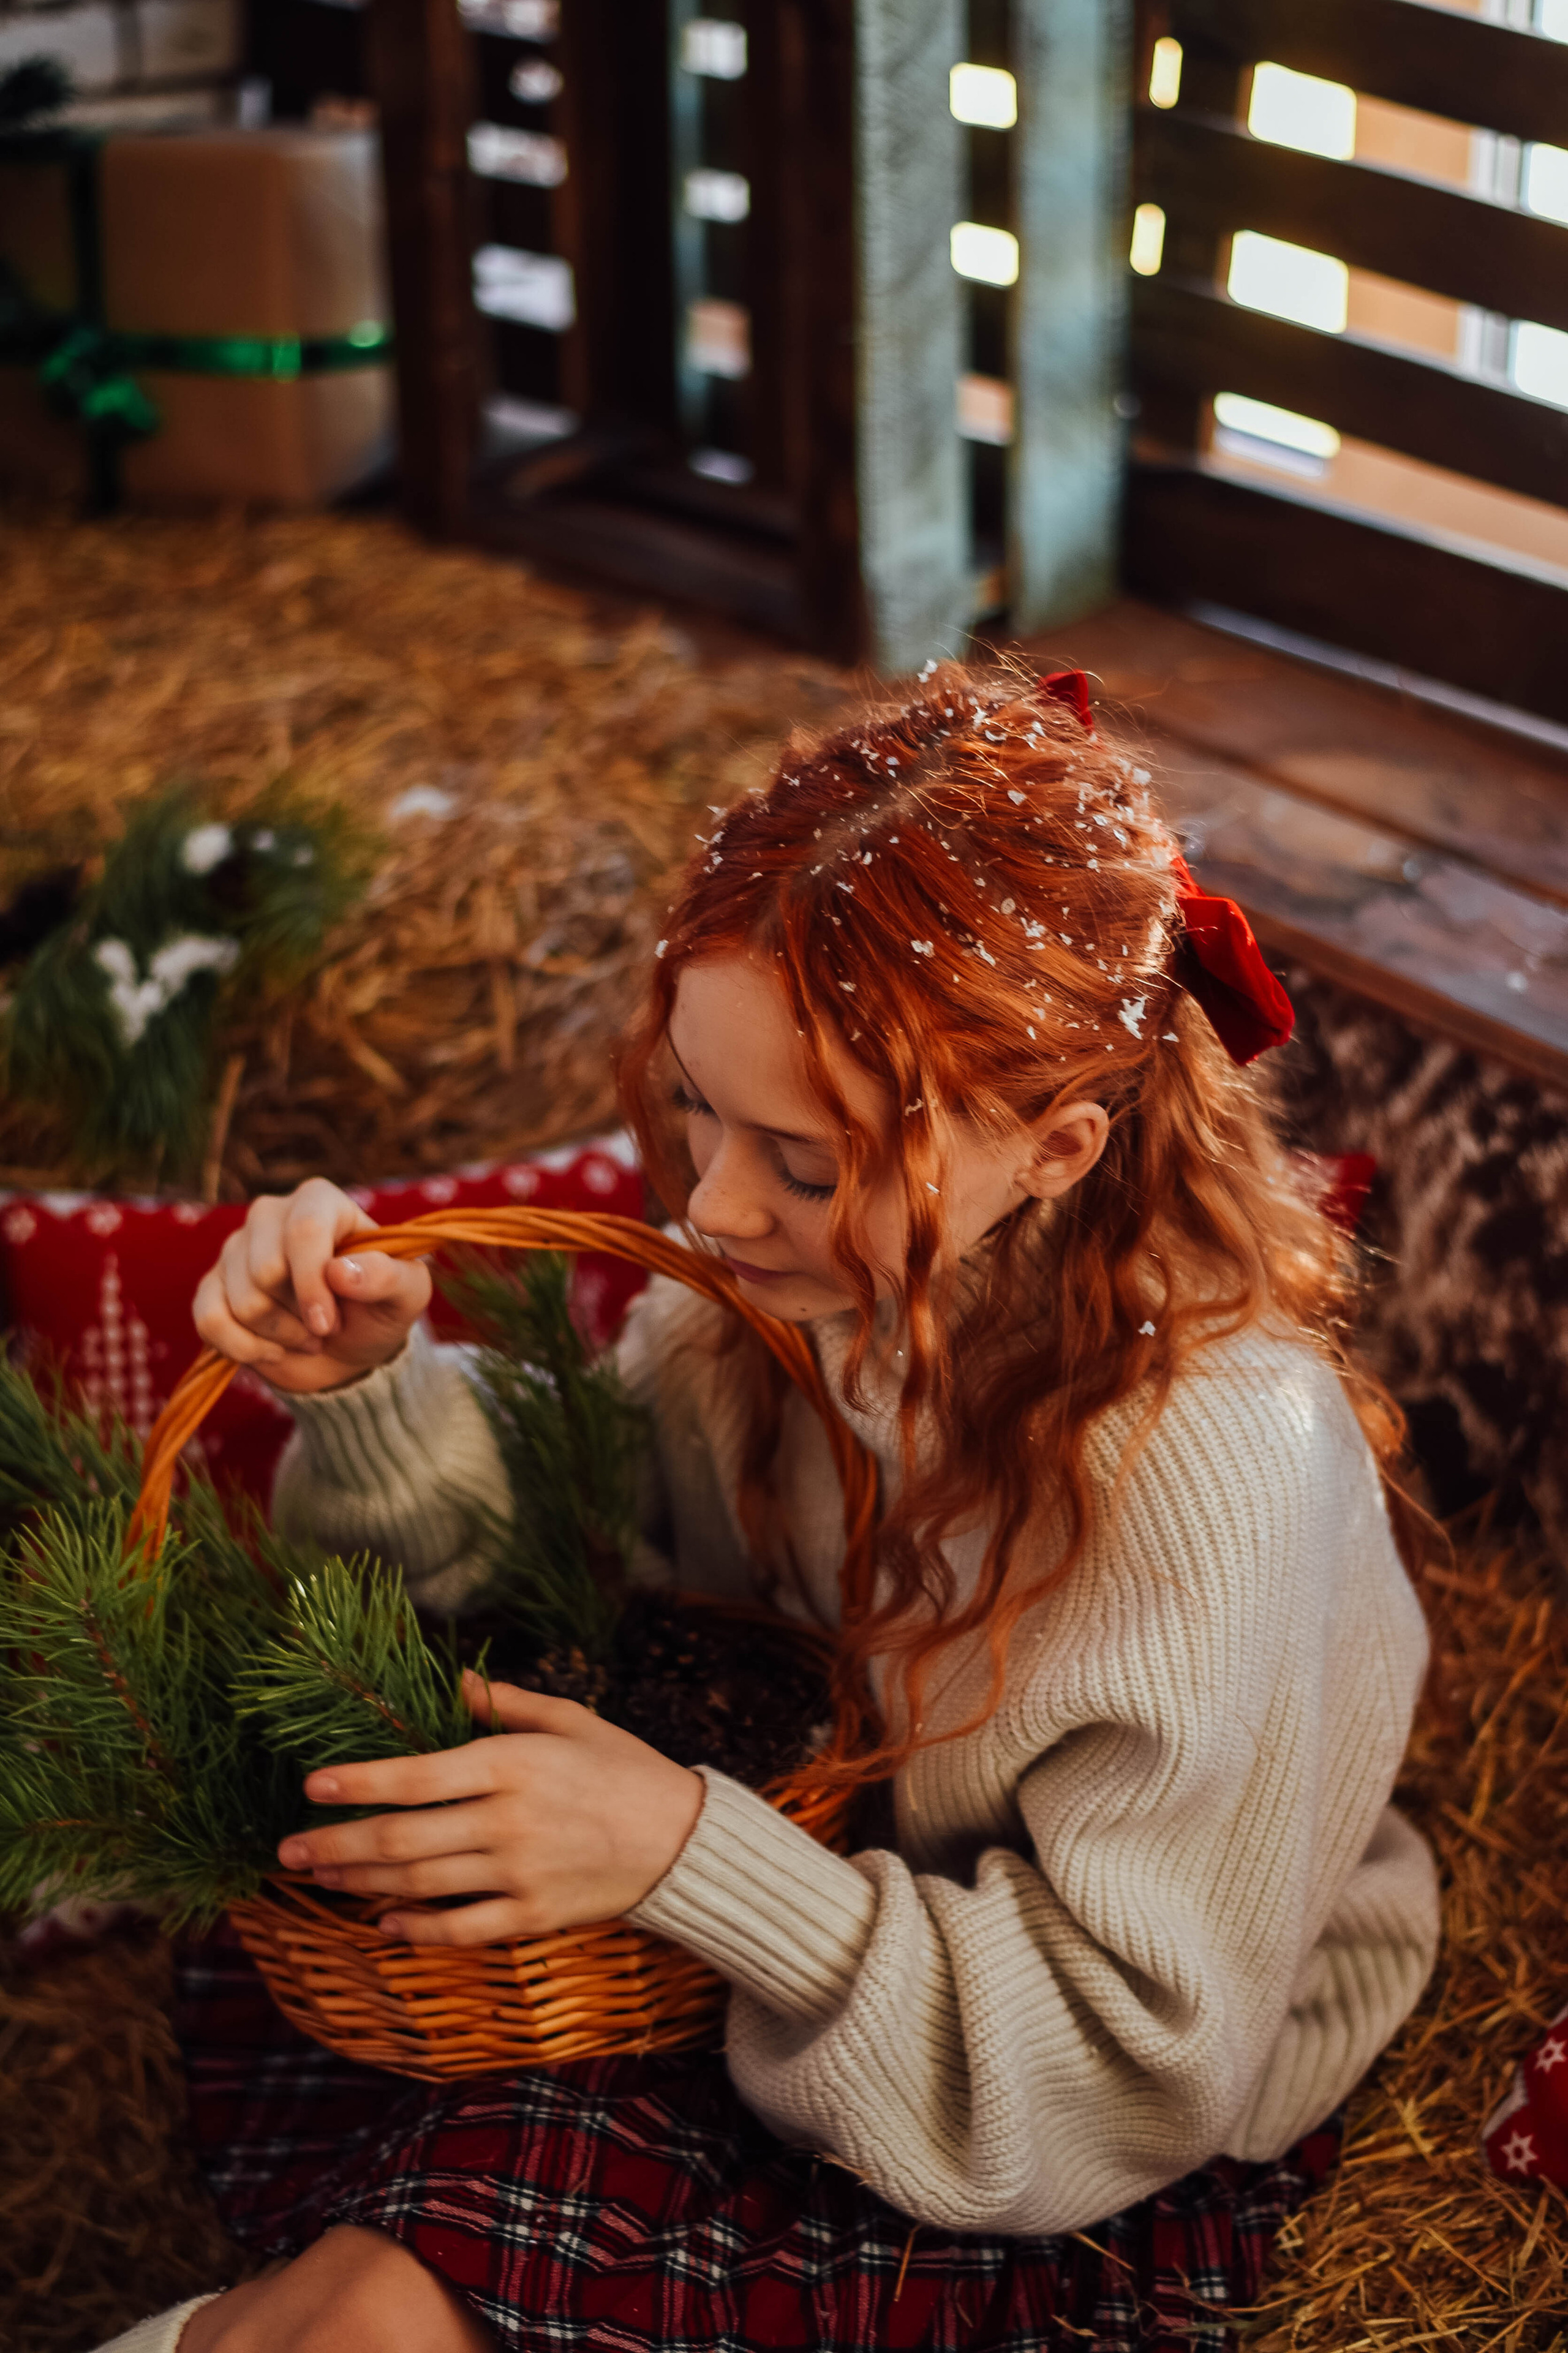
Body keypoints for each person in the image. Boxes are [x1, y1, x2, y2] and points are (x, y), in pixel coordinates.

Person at [104, 663, 1438, 2353]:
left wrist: (687, 1852)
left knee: (372, 2315)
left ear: (1058, 1146)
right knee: (334, 2310)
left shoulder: (1207, 1473)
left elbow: (1137, 2068)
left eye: (808, 1162)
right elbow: (585, 1551)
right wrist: (370, 1387)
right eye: (694, 1105)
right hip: (765, 1944)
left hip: (1040, 2110)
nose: (718, 1208)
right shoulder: (771, 1298)